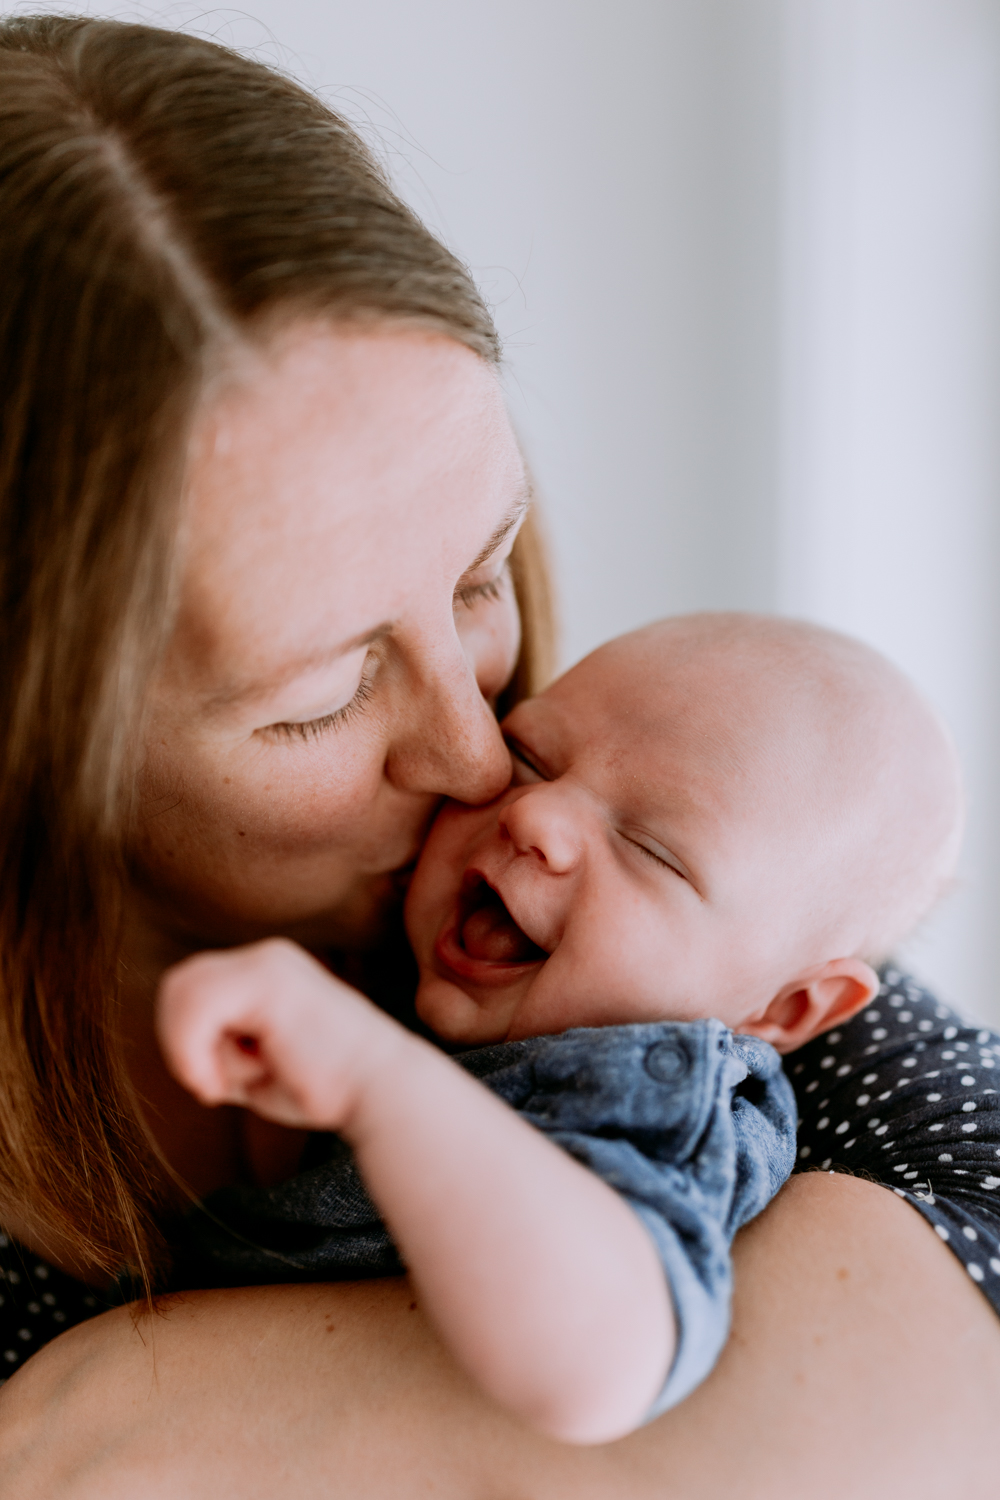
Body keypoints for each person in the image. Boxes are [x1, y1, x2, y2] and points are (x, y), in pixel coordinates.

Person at [0, 16, 999, 1498]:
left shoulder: (651, 963)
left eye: (480, 575)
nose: (486, 759)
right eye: (322, 693)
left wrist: (121, 1410)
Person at [156, 613, 959, 1443]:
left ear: (782, 1010)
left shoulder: (657, 1104)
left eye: (653, 849)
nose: (535, 817)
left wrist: (378, 1081)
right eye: (530, 760)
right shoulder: (417, 977)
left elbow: (599, 1367)